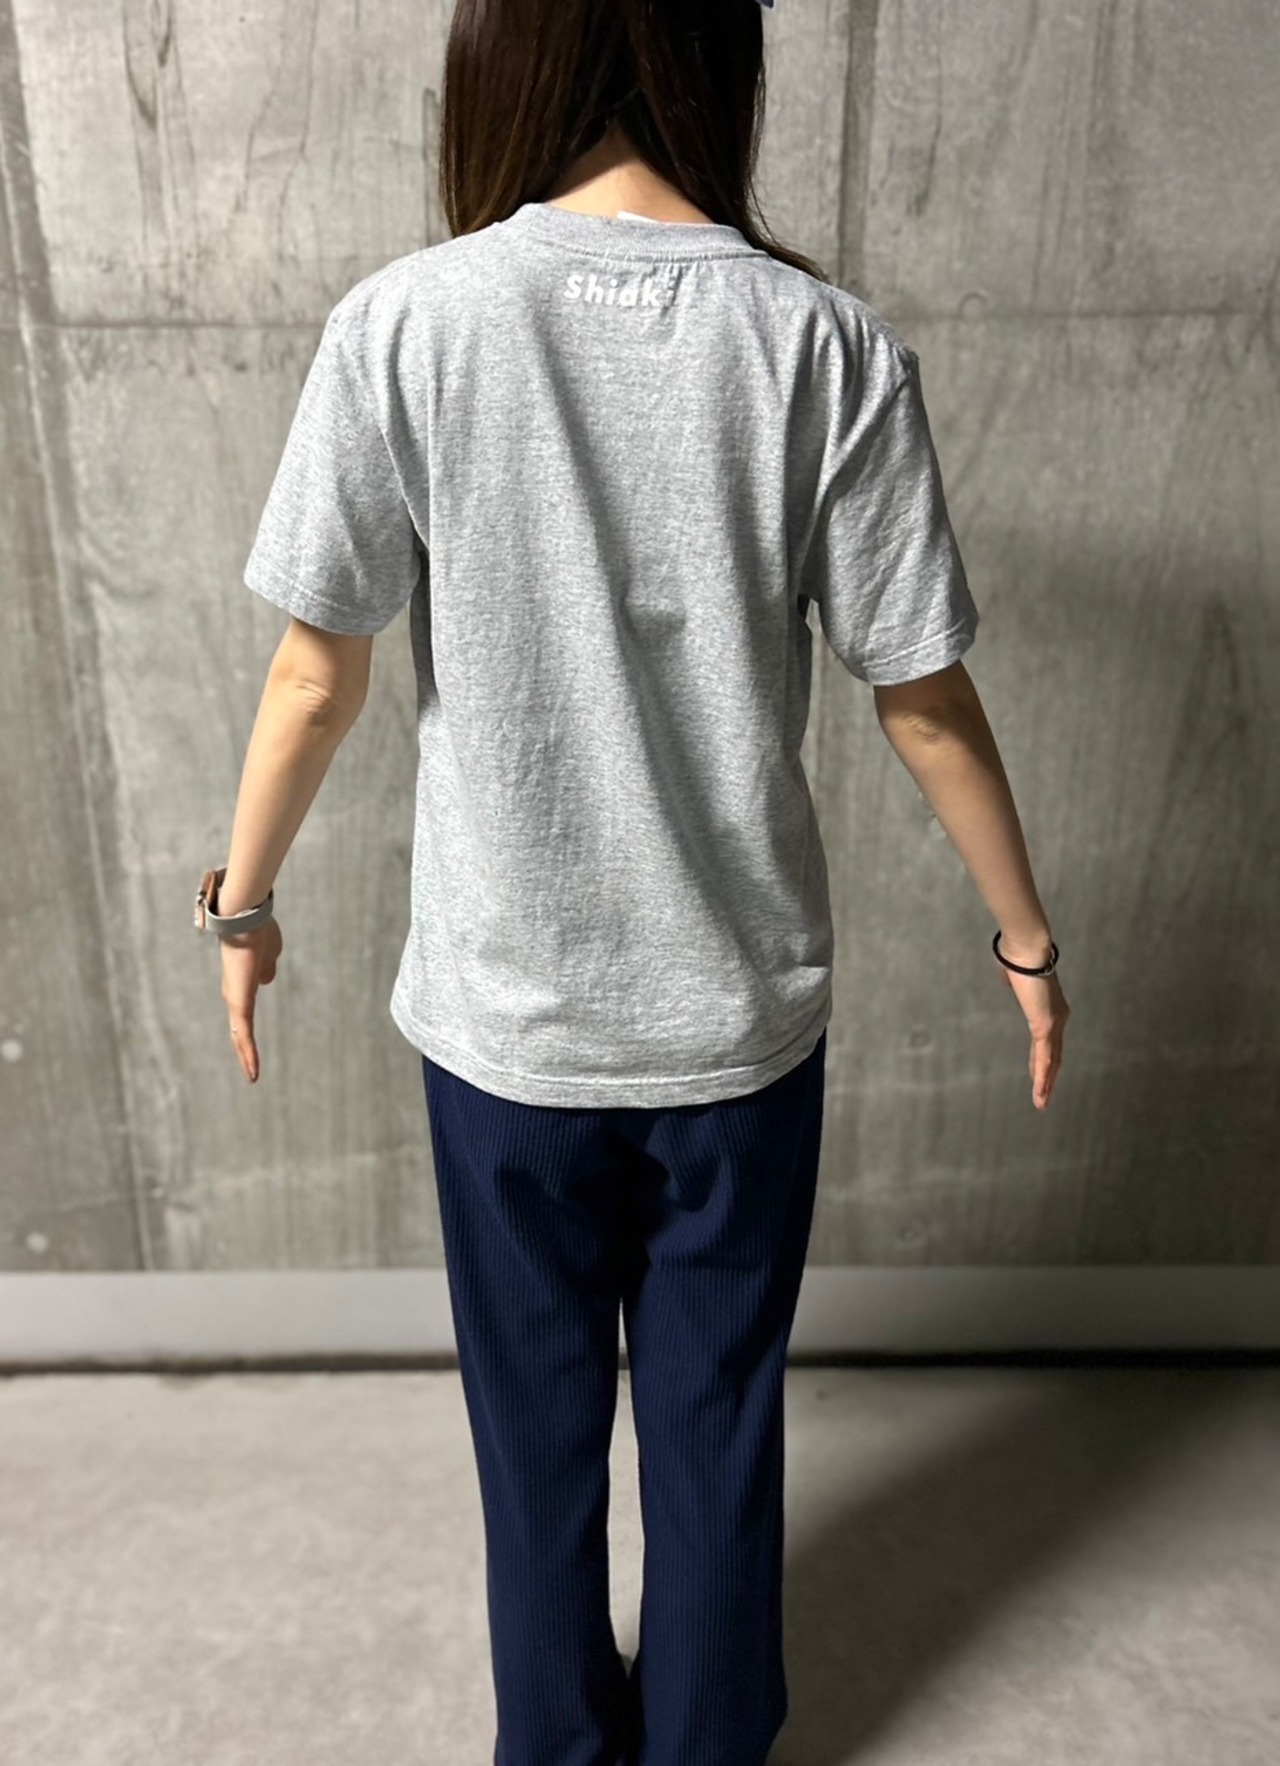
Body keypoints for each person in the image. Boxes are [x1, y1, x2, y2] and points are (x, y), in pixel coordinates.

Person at [199, 1, 1071, 1760]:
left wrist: (245, 904)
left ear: (501, 64)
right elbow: (924, 699)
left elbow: (313, 674)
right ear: (716, 67)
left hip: (503, 1030)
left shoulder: (408, 322)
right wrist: (1027, 937)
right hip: (736, 1023)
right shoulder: (823, 343)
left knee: (530, 1437)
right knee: (716, 1416)